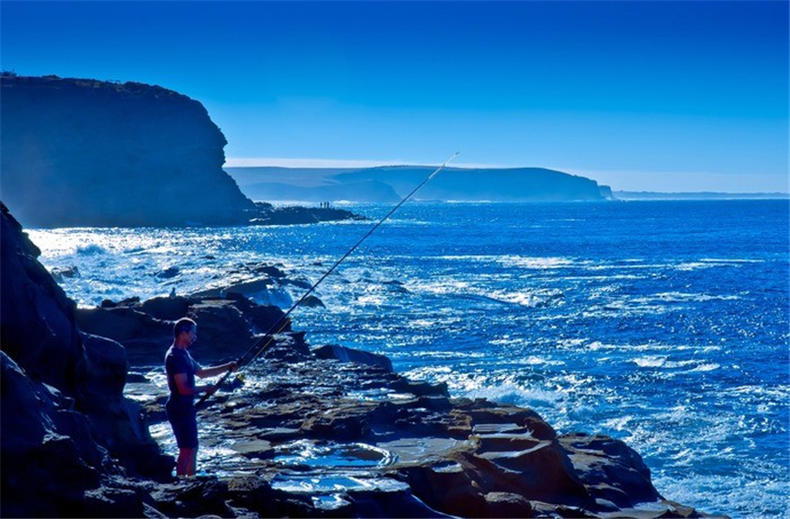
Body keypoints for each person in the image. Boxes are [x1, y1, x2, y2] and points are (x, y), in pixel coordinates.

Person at [164, 317, 237, 476]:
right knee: (186, 449)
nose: (194, 337)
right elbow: (183, 388)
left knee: (193, 447)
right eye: (192, 333)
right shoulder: (174, 356)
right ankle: (181, 483)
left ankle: (191, 480)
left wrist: (227, 367)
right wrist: (205, 389)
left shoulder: (184, 354)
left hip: (186, 407)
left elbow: (202, 373)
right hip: (179, 408)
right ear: (183, 333)